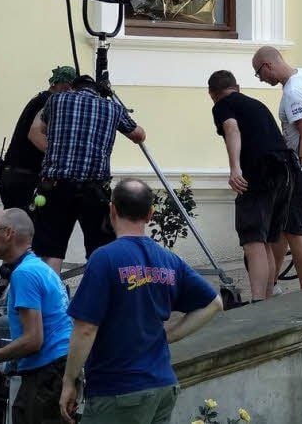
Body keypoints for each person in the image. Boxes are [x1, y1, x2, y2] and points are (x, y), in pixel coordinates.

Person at [59, 178, 223, 424]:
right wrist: (168, 336)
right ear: (150, 214)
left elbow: (85, 329)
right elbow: (214, 303)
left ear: (112, 210)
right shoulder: (169, 260)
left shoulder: (104, 259)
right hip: (163, 386)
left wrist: (69, 381)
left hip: (118, 390)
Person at [0, 209, 72, 424]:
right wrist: (0, 360)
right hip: (59, 368)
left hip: (46, 374)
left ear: (8, 233)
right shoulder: (41, 267)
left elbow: (33, 340)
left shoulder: (24, 274)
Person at [28, 75, 146, 274]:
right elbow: (139, 135)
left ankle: (51, 292)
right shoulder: (112, 108)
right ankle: (98, 291)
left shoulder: (56, 100)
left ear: (73, 88)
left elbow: (42, 128)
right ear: (98, 91)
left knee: (51, 250)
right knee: (99, 250)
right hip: (94, 190)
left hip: (56, 186)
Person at [208, 70, 296, 301]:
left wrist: (235, 168)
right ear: (237, 87)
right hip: (284, 172)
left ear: (212, 94)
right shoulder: (256, 104)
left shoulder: (222, 105)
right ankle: (266, 298)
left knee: (253, 241)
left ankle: (257, 302)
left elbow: (231, 129)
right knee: (266, 242)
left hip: (259, 174)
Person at [251, 46, 302, 290]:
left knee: (295, 232)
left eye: (259, 73)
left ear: (268, 66)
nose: (260, 79)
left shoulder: (293, 92)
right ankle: (271, 284)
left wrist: (293, 171)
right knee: (282, 229)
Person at [0, 66, 76, 210]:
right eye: (69, 88)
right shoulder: (49, 102)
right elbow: (35, 135)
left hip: (11, 174)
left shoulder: (40, 98)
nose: (71, 93)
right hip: (24, 177)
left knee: (13, 220)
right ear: (61, 85)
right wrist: (61, 157)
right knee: (26, 222)